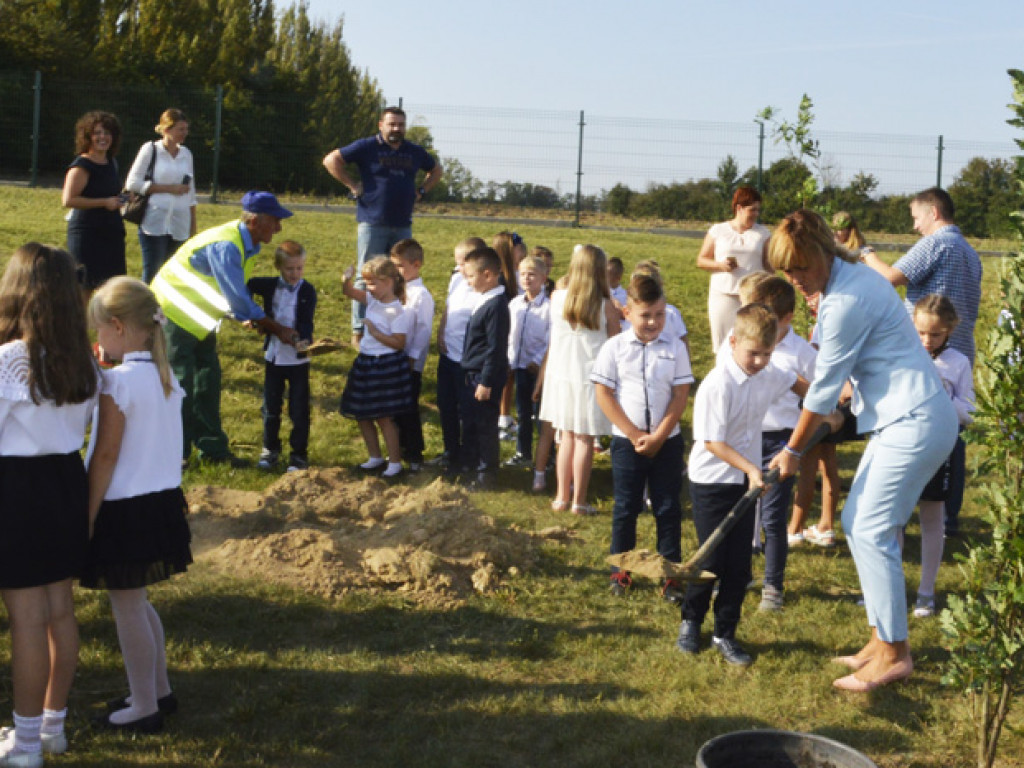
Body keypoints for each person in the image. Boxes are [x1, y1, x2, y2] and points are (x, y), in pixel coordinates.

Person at [768, 209, 958, 691]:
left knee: (871, 528)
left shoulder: (846, 299)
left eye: (800, 268)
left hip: (914, 420)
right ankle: (879, 639)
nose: (794, 279)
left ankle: (895, 653)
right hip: (903, 416)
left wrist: (793, 450)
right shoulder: (847, 282)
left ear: (821, 253)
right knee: (858, 523)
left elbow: (824, 390)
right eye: (786, 271)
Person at [0, 243, 99, 766]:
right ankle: (52, 725)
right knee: (60, 610)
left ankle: (27, 744)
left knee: (26, 619)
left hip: (17, 488)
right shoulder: (81, 357)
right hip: (65, 482)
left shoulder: (9, 358)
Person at [82, 277, 192, 734]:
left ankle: (143, 706)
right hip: (161, 503)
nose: (97, 340)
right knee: (139, 604)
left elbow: (105, 455)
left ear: (116, 327)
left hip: (124, 509)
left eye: (98, 331)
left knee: (127, 609)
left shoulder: (119, 383)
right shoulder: (166, 378)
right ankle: (158, 690)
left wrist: (85, 516)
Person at [676, 304, 812, 667]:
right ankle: (691, 621)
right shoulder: (717, 386)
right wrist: (753, 469)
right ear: (733, 342)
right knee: (710, 557)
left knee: (738, 565)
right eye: (753, 353)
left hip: (746, 481)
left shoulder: (770, 371)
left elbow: (800, 386)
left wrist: (824, 405)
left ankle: (725, 632)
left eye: (766, 354)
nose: (759, 361)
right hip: (713, 481)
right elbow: (713, 443)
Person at [151, 191, 297, 465]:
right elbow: (237, 297)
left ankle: (213, 451)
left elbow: (226, 291)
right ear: (255, 221)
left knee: (209, 380)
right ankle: (176, 453)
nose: (278, 228)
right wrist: (275, 328)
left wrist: (246, 316)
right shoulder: (228, 245)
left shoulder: (247, 244)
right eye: (274, 221)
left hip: (199, 321)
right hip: (173, 316)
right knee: (181, 383)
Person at [592, 274, 693, 598]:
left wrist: (660, 436)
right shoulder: (615, 348)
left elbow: (680, 394)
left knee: (667, 507)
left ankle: (670, 575)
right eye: (645, 315)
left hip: (667, 440)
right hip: (627, 442)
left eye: (659, 314)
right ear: (628, 313)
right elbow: (604, 393)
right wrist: (634, 434)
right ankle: (620, 570)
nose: (653, 322)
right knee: (626, 506)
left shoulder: (675, 347)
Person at [322, 107, 442, 346]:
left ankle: (395, 326)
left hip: (403, 224)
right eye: (392, 124)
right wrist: (352, 185)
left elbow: (436, 170)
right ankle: (359, 330)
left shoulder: (414, 152)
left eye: (400, 124)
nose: (396, 128)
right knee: (365, 276)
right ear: (381, 125)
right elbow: (331, 160)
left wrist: (422, 190)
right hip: (372, 222)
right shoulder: (367, 146)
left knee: (400, 277)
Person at [746, 277, 817, 611]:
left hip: (779, 441)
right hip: (744, 436)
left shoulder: (801, 352)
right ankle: (739, 571)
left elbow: (818, 397)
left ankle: (773, 585)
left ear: (787, 317)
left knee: (773, 517)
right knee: (744, 510)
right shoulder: (743, 344)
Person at [537, 244, 621, 515]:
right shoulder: (605, 305)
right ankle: (579, 501)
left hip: (562, 375)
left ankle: (562, 497)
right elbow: (617, 343)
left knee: (566, 437)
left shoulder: (557, 297)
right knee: (585, 439)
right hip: (589, 377)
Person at [908, 294, 974, 617]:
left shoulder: (958, 363)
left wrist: (941, 398)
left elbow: (969, 409)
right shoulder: (903, 354)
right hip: (903, 447)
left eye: (934, 334)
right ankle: (887, 587)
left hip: (938, 449)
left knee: (932, 517)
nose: (926, 340)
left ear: (949, 330)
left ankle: (926, 592)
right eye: (920, 332)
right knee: (892, 518)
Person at [340, 257, 414, 478]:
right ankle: (375, 456)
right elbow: (349, 292)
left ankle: (395, 462)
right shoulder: (372, 300)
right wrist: (346, 280)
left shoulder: (397, 311)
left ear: (390, 281)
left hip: (386, 365)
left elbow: (399, 343)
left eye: (374, 283)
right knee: (362, 414)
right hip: (366, 361)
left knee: (384, 417)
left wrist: (375, 333)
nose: (369, 288)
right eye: (367, 283)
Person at [247, 241, 317, 473]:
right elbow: (247, 285)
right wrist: (252, 315)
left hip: (298, 359)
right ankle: (270, 449)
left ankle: (298, 454)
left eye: (299, 268)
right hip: (274, 356)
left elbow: (307, 321)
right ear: (278, 267)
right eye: (289, 269)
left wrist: (302, 340)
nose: (295, 273)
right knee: (271, 405)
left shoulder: (307, 290)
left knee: (299, 408)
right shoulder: (268, 285)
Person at [457, 247, 511, 488]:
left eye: (470, 276)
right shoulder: (485, 299)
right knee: (470, 422)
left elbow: (495, 348)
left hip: (484, 375)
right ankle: (470, 465)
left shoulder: (497, 305)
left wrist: (486, 381)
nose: (467, 282)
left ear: (488, 275)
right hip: (473, 372)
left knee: (485, 425)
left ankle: (486, 474)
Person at [125, 108, 198, 283]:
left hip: (179, 224)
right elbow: (132, 183)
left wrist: (192, 227)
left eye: (186, 129)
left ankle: (167, 310)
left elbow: (191, 194)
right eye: (180, 129)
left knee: (174, 275)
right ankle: (147, 309)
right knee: (153, 273)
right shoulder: (150, 149)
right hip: (154, 222)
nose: (184, 133)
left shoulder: (186, 154)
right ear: (166, 129)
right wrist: (169, 188)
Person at [695, 186, 771, 352]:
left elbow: (768, 264)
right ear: (739, 208)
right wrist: (720, 265)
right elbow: (701, 260)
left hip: (753, 296)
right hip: (723, 294)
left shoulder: (763, 234)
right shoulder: (718, 230)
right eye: (752, 210)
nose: (756, 214)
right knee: (723, 344)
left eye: (758, 210)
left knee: (753, 341)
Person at [431, 237, 485, 471]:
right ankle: (450, 451)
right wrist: (441, 331)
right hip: (448, 356)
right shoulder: (456, 280)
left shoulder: (482, 291)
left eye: (461, 263)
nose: (457, 268)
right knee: (446, 406)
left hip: (467, 361)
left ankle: (468, 456)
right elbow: (449, 307)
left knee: (468, 411)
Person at [62, 111, 127, 291]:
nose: (103, 137)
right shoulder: (82, 165)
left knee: (111, 288)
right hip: (87, 235)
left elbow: (110, 192)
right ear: (88, 136)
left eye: (107, 133)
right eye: (97, 133)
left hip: (111, 232)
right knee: (85, 287)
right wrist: (104, 202)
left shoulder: (111, 162)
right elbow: (68, 199)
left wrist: (124, 198)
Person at [390, 239, 434, 472]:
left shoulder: (421, 295)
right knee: (395, 409)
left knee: (408, 409)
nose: (396, 271)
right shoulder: (398, 290)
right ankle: (399, 452)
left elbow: (423, 330)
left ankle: (415, 454)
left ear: (416, 264)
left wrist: (412, 358)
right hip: (395, 358)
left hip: (410, 362)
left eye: (399, 266)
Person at [504, 254, 551, 470]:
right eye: (523, 274)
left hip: (539, 370)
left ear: (544, 278)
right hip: (520, 367)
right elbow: (509, 335)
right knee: (522, 412)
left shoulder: (549, 308)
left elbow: (551, 338)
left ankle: (548, 456)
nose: (527, 279)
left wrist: (538, 360)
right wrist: (509, 359)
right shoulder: (515, 304)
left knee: (542, 415)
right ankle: (522, 452)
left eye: (532, 275)